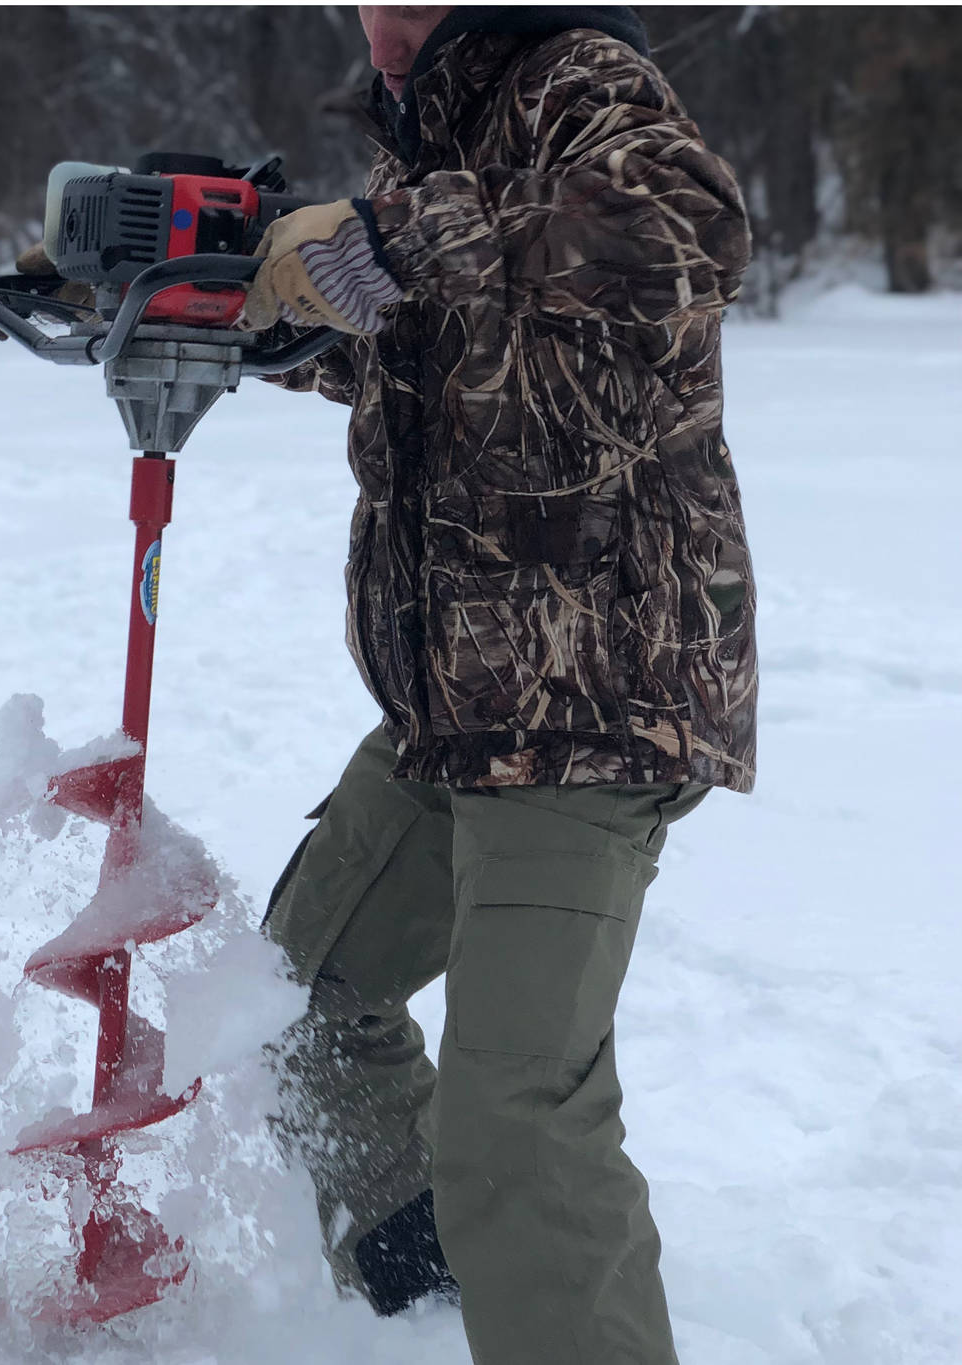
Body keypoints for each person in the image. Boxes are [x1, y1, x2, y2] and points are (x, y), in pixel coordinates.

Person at [229, 6, 753, 1363]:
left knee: (518, 1111)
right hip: (452, 712)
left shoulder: (581, 79)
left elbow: (673, 242)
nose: (383, 25)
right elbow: (428, 353)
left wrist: (388, 242)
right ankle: (426, 1291)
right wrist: (205, 291)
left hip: (594, 701)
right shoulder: (438, 142)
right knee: (294, 995)